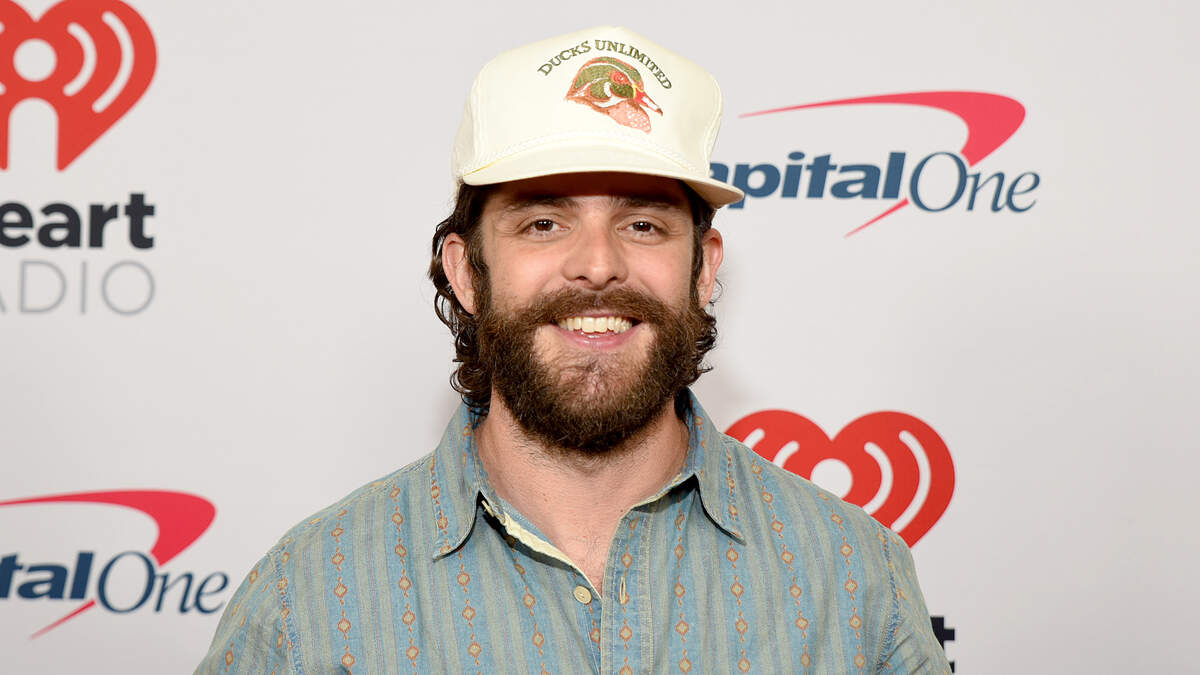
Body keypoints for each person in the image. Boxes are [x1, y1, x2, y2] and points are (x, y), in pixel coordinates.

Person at [197, 25, 950, 674]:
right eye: (543, 223)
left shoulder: (854, 578)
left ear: (704, 269)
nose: (597, 264)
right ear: (466, 271)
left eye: (643, 224)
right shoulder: (311, 599)